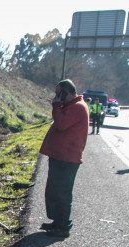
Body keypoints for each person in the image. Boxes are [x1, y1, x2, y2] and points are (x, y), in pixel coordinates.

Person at [38, 79, 89, 238]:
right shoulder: (71, 106)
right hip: (60, 156)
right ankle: (58, 222)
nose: (56, 97)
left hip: (68, 159)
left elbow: (61, 124)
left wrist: (56, 105)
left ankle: (63, 226)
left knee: (62, 192)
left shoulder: (78, 107)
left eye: (59, 93)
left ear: (66, 92)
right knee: (53, 191)